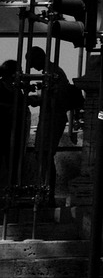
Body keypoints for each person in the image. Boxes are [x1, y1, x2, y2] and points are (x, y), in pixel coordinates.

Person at [26, 46, 81, 197]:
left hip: (53, 118)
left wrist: (38, 99)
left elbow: (59, 99)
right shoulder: (52, 71)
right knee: (43, 155)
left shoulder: (53, 72)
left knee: (45, 155)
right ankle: (46, 191)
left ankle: (47, 193)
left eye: (32, 62)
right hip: (50, 118)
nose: (32, 67)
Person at [1, 59, 27, 189]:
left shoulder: (16, 88)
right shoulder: (1, 87)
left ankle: (12, 188)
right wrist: (12, 108)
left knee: (14, 160)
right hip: (3, 129)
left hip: (15, 131)